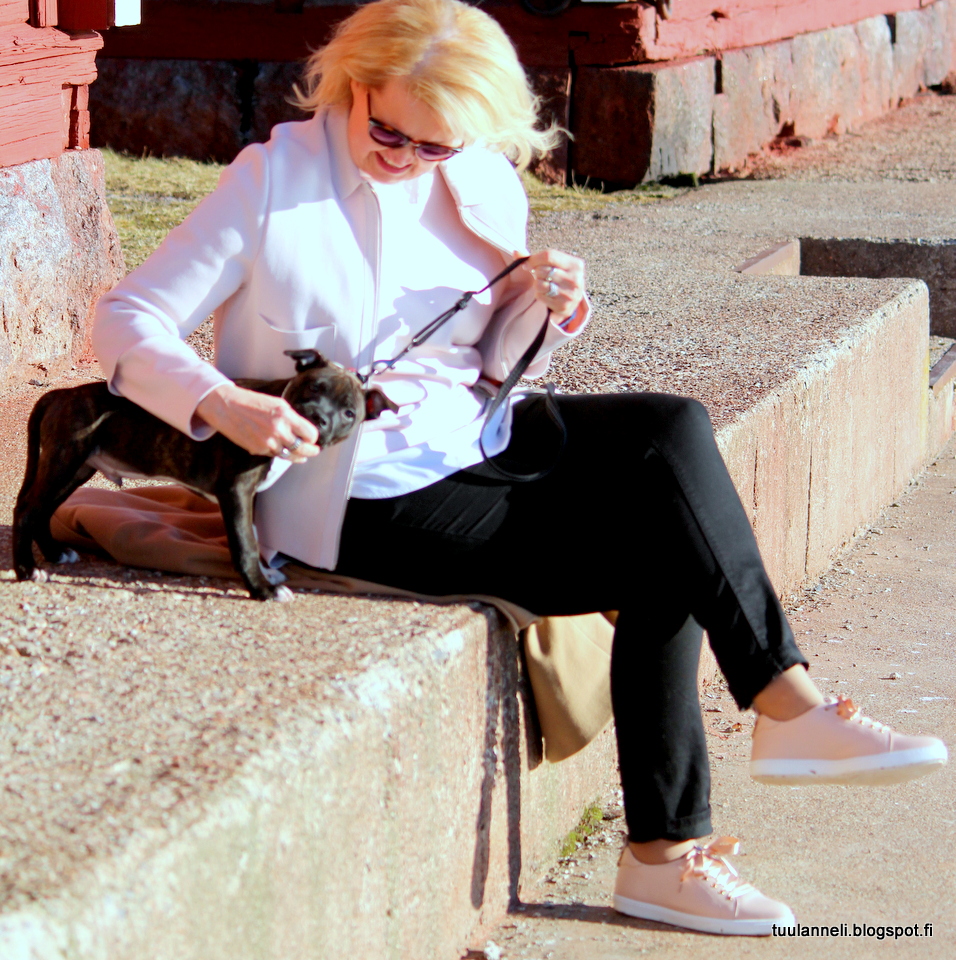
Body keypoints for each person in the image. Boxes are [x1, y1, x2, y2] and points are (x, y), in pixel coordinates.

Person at [91, 0, 947, 937]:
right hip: (357, 487)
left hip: (481, 434)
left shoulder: (483, 181)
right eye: (388, 131)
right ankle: (671, 851)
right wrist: (221, 402)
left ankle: (787, 706)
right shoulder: (272, 182)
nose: (406, 158)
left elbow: (492, 356)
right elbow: (126, 319)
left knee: (673, 427)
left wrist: (550, 306)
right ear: (355, 83)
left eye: (435, 145)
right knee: (667, 554)